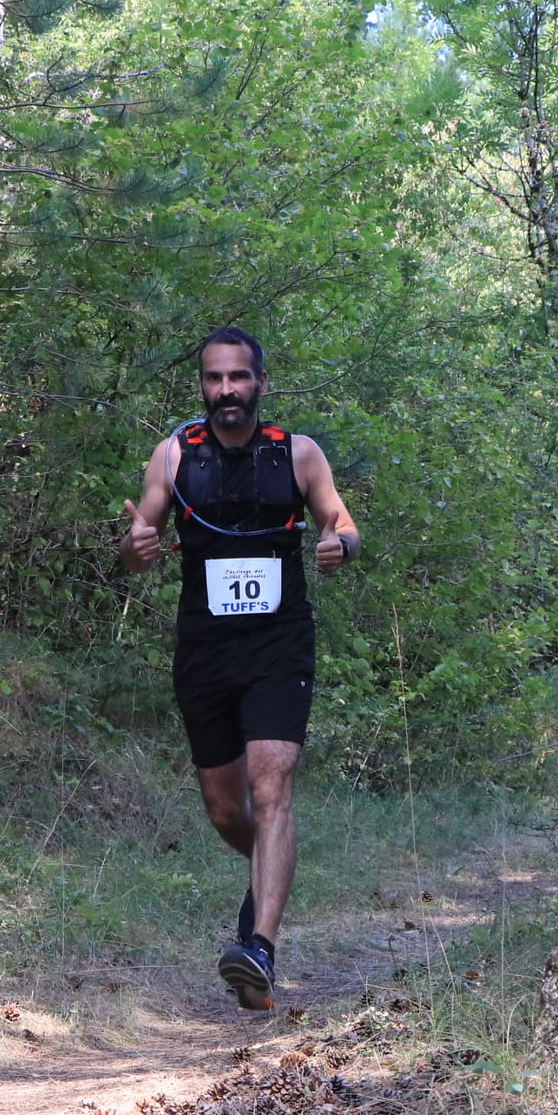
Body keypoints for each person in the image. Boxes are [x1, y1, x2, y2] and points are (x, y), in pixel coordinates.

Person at [118, 327, 360, 1010]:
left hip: (279, 644)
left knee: (272, 783)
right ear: (202, 385)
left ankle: (259, 946)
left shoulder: (298, 454)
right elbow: (140, 548)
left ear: (260, 382)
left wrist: (339, 541)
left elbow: (342, 520)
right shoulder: (173, 455)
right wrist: (136, 545)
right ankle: (270, 866)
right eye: (215, 378)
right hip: (204, 647)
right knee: (227, 808)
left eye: (239, 377)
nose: (227, 389)